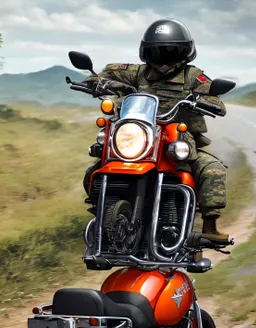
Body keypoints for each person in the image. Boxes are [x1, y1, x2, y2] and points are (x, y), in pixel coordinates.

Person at [82, 18, 229, 243]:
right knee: (96, 166)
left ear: (184, 52)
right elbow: (102, 75)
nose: (164, 58)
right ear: (146, 52)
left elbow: (217, 102)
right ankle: (104, 212)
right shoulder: (138, 73)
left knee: (212, 170)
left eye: (170, 51)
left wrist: (203, 100)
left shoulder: (193, 76)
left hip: (177, 138)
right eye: (158, 52)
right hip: (138, 135)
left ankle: (209, 225)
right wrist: (99, 83)